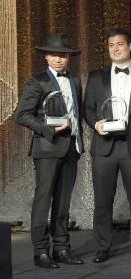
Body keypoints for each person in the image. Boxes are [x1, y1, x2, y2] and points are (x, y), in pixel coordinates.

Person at [83, 29, 131, 263]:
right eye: (111, 45)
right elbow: (88, 109)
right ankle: (103, 246)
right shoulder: (96, 77)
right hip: (104, 147)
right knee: (103, 201)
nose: (115, 48)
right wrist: (96, 123)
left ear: (130, 47)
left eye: (120, 44)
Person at [15, 33, 85, 268]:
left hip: (71, 148)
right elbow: (23, 115)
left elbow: (77, 112)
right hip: (47, 149)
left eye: (63, 55)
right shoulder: (38, 81)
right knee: (43, 200)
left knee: (64, 202)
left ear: (69, 58)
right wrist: (48, 129)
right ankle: (41, 251)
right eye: (54, 55)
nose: (58, 59)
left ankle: (62, 248)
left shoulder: (75, 81)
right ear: (46, 56)